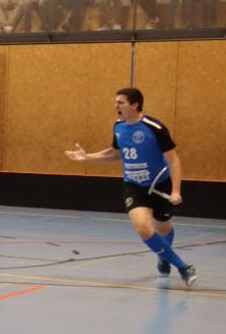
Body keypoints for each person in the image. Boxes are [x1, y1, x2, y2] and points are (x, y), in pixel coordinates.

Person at [64, 87, 195, 287]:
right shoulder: (118, 127)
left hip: (160, 184)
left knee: (164, 228)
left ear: (134, 105)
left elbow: (174, 161)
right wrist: (87, 157)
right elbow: (116, 154)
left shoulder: (155, 128)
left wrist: (176, 190)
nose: (116, 105)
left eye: (120, 102)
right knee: (143, 228)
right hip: (134, 187)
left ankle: (163, 255)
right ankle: (183, 267)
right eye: (116, 102)